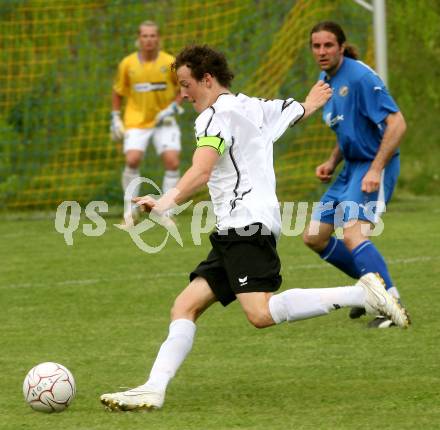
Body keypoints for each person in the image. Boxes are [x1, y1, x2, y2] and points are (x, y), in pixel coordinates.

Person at [100, 45, 409, 412]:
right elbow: (296, 111)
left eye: (186, 85)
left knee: (260, 313)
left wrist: (165, 203)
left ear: (207, 79)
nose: (182, 94)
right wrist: (311, 100)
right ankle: (153, 388)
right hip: (243, 226)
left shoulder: (213, 118)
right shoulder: (253, 106)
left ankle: (363, 294)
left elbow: (201, 170)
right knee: (185, 306)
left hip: (244, 225)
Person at [302, 21, 408, 328]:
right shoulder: (326, 79)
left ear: (341, 46)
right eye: (316, 46)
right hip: (349, 167)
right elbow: (348, 127)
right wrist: (331, 162)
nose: (321, 51)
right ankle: (369, 291)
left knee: (352, 234)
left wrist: (375, 169)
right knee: (314, 236)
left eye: (328, 45)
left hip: (373, 164)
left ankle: (389, 303)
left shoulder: (360, 77)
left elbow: (397, 123)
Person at [110, 20, 184, 226]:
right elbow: (118, 92)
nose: (149, 39)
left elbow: (183, 88)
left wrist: (173, 108)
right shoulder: (128, 64)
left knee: (172, 162)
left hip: (164, 120)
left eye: (153, 35)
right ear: (138, 39)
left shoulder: (170, 62)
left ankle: (166, 212)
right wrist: (115, 117)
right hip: (136, 120)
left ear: (158, 39)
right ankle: (130, 212)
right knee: (132, 160)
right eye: (145, 36)